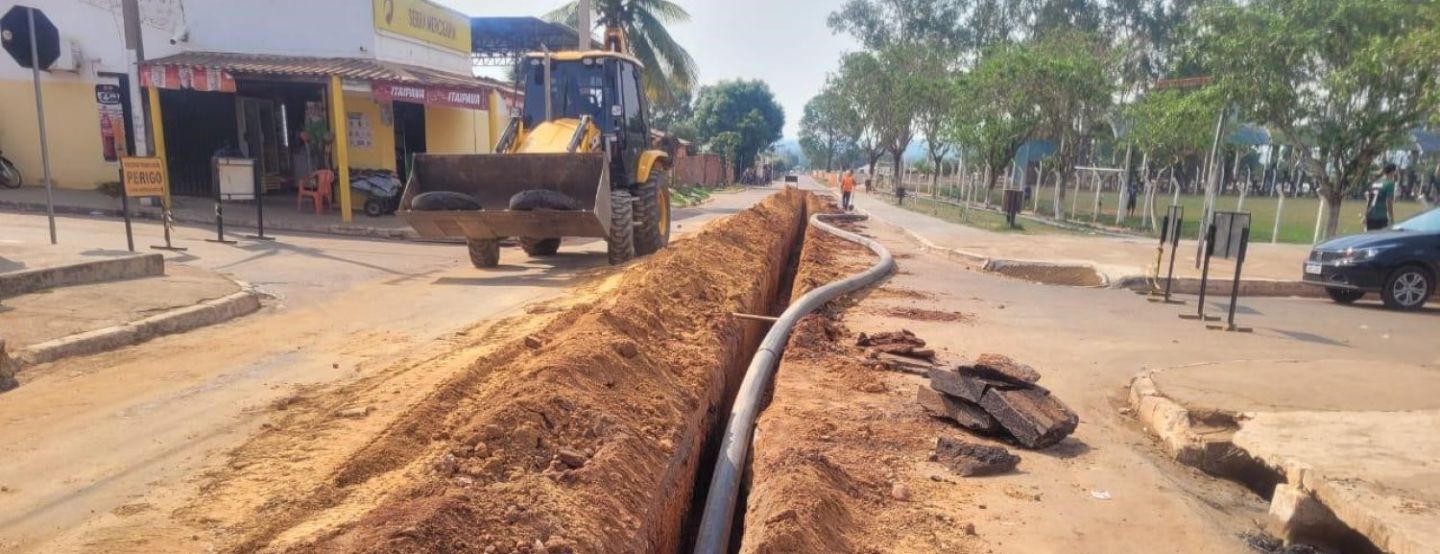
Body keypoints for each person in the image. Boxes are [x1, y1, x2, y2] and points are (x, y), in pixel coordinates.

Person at [1363, 163, 1398, 231]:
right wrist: (1392, 218)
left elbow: (1370, 201)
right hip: (1381, 217)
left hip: (1371, 217)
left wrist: (1365, 215)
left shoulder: (1375, 182)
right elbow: (1389, 203)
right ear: (1393, 172)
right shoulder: (1390, 183)